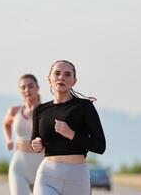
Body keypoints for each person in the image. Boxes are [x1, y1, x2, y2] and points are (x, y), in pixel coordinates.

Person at [31, 60, 106, 195]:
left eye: (67, 75)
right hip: (47, 175)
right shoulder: (40, 110)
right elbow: (35, 142)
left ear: (74, 81)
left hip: (77, 177)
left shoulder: (84, 107)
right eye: (57, 73)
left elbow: (100, 146)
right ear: (49, 79)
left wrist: (72, 134)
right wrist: (36, 144)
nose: (61, 78)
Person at [3, 74, 44, 195]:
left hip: (43, 166)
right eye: (23, 87)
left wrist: (35, 117)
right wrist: (9, 139)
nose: (27, 90)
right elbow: (6, 124)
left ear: (37, 88)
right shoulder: (14, 111)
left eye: (31, 86)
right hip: (20, 167)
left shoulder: (48, 110)